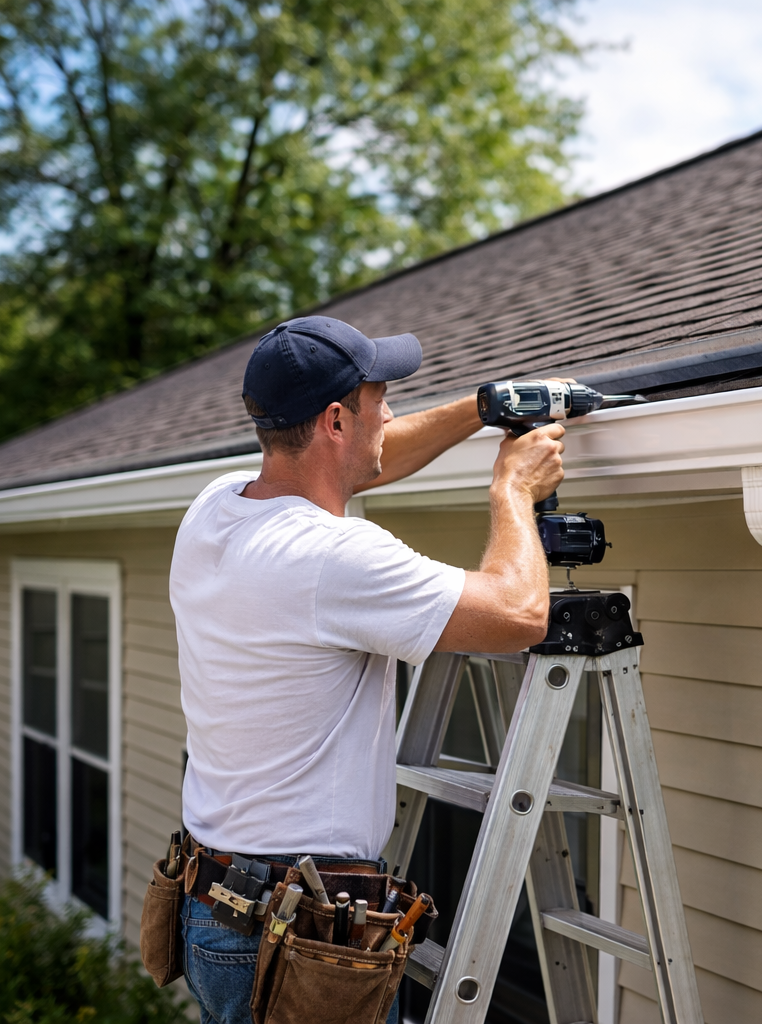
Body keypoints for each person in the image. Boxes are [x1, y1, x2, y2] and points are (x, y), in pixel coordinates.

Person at [168, 315, 565, 1024]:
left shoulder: (217, 508)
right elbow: (518, 612)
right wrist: (513, 491)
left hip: (218, 911)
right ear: (335, 419)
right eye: (381, 397)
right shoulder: (333, 557)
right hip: (295, 938)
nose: (391, 414)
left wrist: (482, 410)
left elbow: (371, 452)